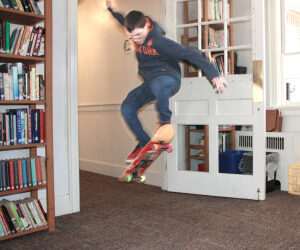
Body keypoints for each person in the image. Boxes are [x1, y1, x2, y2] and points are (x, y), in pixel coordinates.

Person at [106, 1, 227, 163]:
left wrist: (214, 74)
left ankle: (164, 127)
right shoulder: (133, 28)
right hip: (151, 82)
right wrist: (110, 9)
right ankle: (144, 143)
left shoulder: (158, 41)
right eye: (132, 37)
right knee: (127, 107)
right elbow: (121, 19)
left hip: (169, 79)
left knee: (159, 84)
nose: (136, 40)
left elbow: (189, 53)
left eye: (139, 35)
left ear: (146, 27)